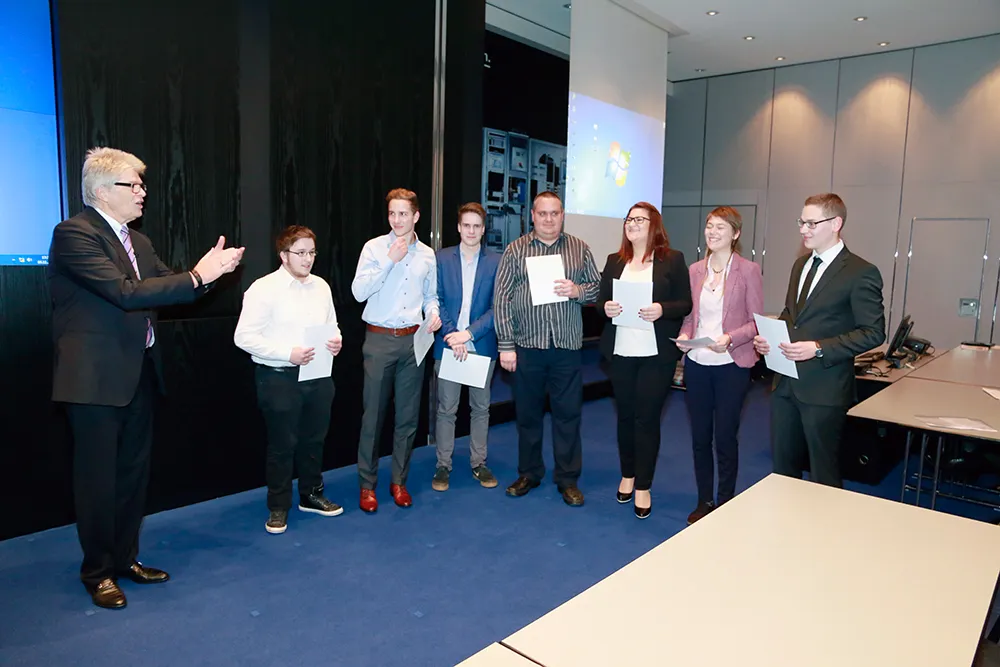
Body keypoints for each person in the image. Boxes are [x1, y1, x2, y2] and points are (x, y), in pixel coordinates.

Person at [48, 147, 244, 609]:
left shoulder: (139, 241)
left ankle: (124, 559)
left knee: (133, 476)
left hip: (138, 373)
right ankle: (97, 572)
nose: (142, 193)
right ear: (101, 191)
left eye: (142, 185)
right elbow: (125, 293)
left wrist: (209, 275)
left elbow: (169, 286)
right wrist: (198, 275)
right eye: (132, 185)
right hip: (94, 381)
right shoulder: (74, 234)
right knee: (98, 480)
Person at [753, 193, 885, 488]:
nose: (803, 229)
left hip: (825, 389)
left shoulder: (861, 272)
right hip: (785, 384)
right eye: (802, 222)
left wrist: (819, 348)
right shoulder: (800, 265)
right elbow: (792, 315)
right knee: (783, 470)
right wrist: (770, 340)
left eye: (812, 223)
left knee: (823, 474)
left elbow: (874, 332)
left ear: (836, 223)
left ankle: (824, 532)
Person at [494, 191, 602, 507]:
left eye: (555, 213)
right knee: (527, 415)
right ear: (532, 215)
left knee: (568, 416)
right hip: (527, 346)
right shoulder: (515, 251)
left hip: (566, 347)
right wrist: (506, 346)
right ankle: (529, 472)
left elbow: (597, 288)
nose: (549, 219)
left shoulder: (579, 248)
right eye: (543, 213)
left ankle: (567, 480)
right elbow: (501, 300)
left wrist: (577, 290)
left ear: (563, 214)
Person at [234, 226, 344, 534]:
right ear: (284, 256)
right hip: (278, 376)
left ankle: (311, 494)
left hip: (319, 374)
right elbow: (243, 337)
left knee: (314, 440)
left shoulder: (321, 286)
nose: (308, 259)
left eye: (312, 252)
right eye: (301, 253)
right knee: (282, 446)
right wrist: (287, 353)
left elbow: (332, 324)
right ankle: (278, 506)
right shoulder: (263, 289)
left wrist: (336, 340)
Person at [598, 202, 691, 519]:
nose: (633, 223)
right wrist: (606, 308)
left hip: (655, 355)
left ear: (654, 225)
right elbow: (600, 303)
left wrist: (662, 309)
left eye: (640, 219)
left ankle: (644, 485)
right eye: (629, 219)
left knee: (647, 420)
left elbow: (685, 303)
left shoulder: (672, 260)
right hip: (620, 352)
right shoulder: (614, 261)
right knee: (625, 416)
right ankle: (627, 474)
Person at [352, 188, 441, 512]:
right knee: (372, 416)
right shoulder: (375, 248)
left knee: (407, 418)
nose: (397, 220)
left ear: (416, 216)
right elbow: (358, 291)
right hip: (378, 340)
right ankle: (367, 485)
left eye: (403, 214)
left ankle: (398, 481)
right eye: (392, 213)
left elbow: (431, 296)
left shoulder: (428, 254)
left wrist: (433, 315)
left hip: (413, 341)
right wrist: (390, 261)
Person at [675, 207, 763, 524]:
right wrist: (685, 336)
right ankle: (704, 500)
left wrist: (730, 337)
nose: (712, 233)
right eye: (709, 227)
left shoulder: (748, 270)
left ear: (735, 234)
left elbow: (756, 323)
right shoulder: (695, 270)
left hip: (731, 365)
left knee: (725, 436)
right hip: (697, 364)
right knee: (700, 436)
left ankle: (725, 501)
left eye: (720, 228)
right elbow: (689, 316)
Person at [431, 203, 501, 492]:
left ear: (483, 230)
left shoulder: (497, 261)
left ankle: (478, 463)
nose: (471, 231)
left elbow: (498, 308)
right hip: (448, 345)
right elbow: (436, 299)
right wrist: (453, 335)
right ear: (458, 227)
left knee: (480, 409)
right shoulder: (441, 258)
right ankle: (443, 466)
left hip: (480, 344)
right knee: (446, 409)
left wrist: (469, 335)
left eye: (477, 226)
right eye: (466, 225)